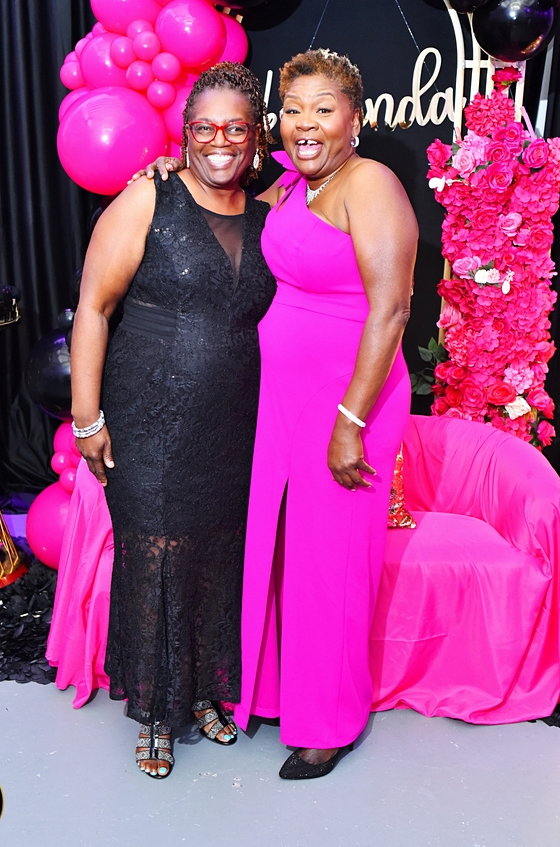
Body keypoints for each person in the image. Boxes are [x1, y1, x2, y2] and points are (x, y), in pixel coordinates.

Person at [140, 48, 418, 779]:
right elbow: (222, 199)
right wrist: (171, 170)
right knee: (278, 546)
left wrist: (351, 421)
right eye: (293, 110)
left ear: (356, 118)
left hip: (349, 398)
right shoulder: (294, 185)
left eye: (324, 109)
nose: (305, 123)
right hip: (283, 397)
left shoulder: (370, 184)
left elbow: (391, 311)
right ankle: (269, 691)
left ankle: (328, 722)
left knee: (332, 559)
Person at [69, 63, 276, 779]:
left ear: (256, 136)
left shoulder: (268, 214)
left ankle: (207, 692)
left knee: (218, 554)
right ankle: (157, 710)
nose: (220, 141)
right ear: (184, 134)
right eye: (204, 128)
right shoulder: (149, 197)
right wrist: (87, 417)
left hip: (233, 422)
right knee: (155, 555)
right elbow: (94, 308)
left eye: (235, 128)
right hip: (148, 414)